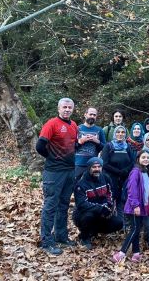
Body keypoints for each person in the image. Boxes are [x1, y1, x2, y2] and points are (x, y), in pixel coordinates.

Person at [35, 97, 78, 255]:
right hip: (54, 172)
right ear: (59, 108)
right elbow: (40, 145)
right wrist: (51, 156)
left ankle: (61, 236)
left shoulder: (73, 125)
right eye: (64, 107)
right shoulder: (51, 124)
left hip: (69, 171)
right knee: (50, 205)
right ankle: (46, 241)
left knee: (64, 205)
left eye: (69, 107)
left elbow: (73, 145)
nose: (67, 110)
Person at [72, 157, 123, 250]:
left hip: (103, 209)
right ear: (89, 168)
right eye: (94, 167)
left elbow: (111, 193)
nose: (97, 169)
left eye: (99, 166)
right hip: (84, 213)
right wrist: (100, 208)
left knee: (119, 223)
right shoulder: (81, 184)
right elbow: (81, 204)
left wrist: (109, 206)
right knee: (89, 216)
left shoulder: (106, 178)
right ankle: (84, 237)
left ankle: (93, 231)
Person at [113, 150, 149, 263]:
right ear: (138, 159)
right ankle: (121, 253)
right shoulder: (135, 172)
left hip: (142, 206)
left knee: (137, 229)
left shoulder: (145, 171)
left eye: (147, 157)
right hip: (135, 206)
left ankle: (136, 253)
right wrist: (136, 205)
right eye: (143, 157)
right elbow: (132, 189)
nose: (146, 159)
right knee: (134, 229)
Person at [100, 126, 134, 208]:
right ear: (114, 133)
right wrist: (118, 172)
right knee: (111, 202)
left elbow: (132, 162)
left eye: (123, 132)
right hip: (111, 179)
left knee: (122, 202)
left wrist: (125, 171)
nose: (120, 134)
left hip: (124, 179)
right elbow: (104, 163)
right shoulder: (108, 146)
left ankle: (122, 219)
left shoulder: (127, 147)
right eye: (118, 132)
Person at [75, 107, 106, 180]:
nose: (92, 116)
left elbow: (104, 148)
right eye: (90, 114)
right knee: (77, 187)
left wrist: (97, 141)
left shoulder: (99, 130)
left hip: (94, 165)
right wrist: (80, 141)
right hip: (78, 164)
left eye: (94, 115)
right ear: (85, 115)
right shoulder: (77, 128)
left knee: (92, 187)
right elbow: (70, 147)